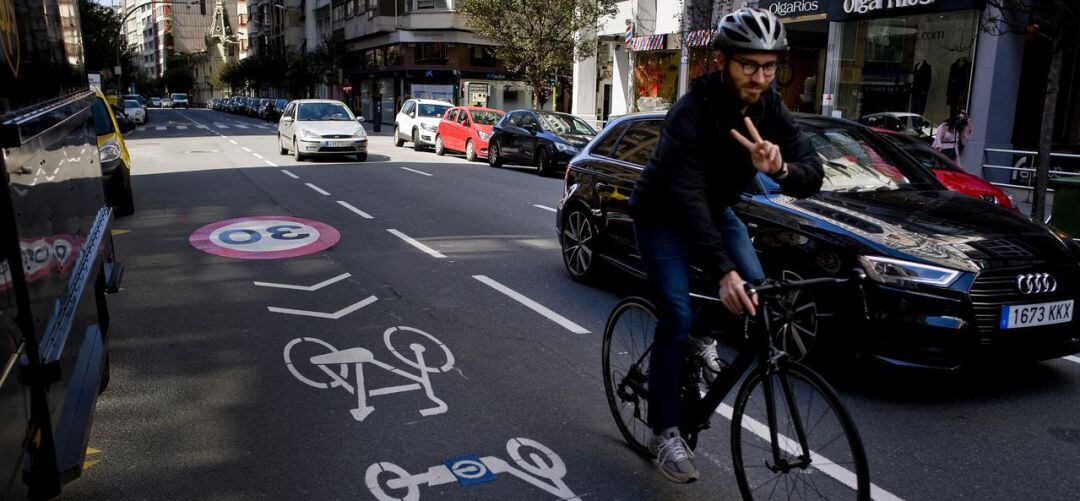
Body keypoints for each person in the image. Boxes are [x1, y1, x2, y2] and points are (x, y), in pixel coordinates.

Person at [628, 7, 824, 484]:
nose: (760, 77)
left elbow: (812, 173)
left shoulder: (770, 108)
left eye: (770, 66)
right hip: (663, 213)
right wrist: (722, 271)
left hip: (716, 210)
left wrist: (780, 169)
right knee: (674, 312)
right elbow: (688, 197)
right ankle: (663, 429)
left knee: (755, 292)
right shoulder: (691, 112)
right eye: (748, 66)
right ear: (723, 61)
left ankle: (698, 338)